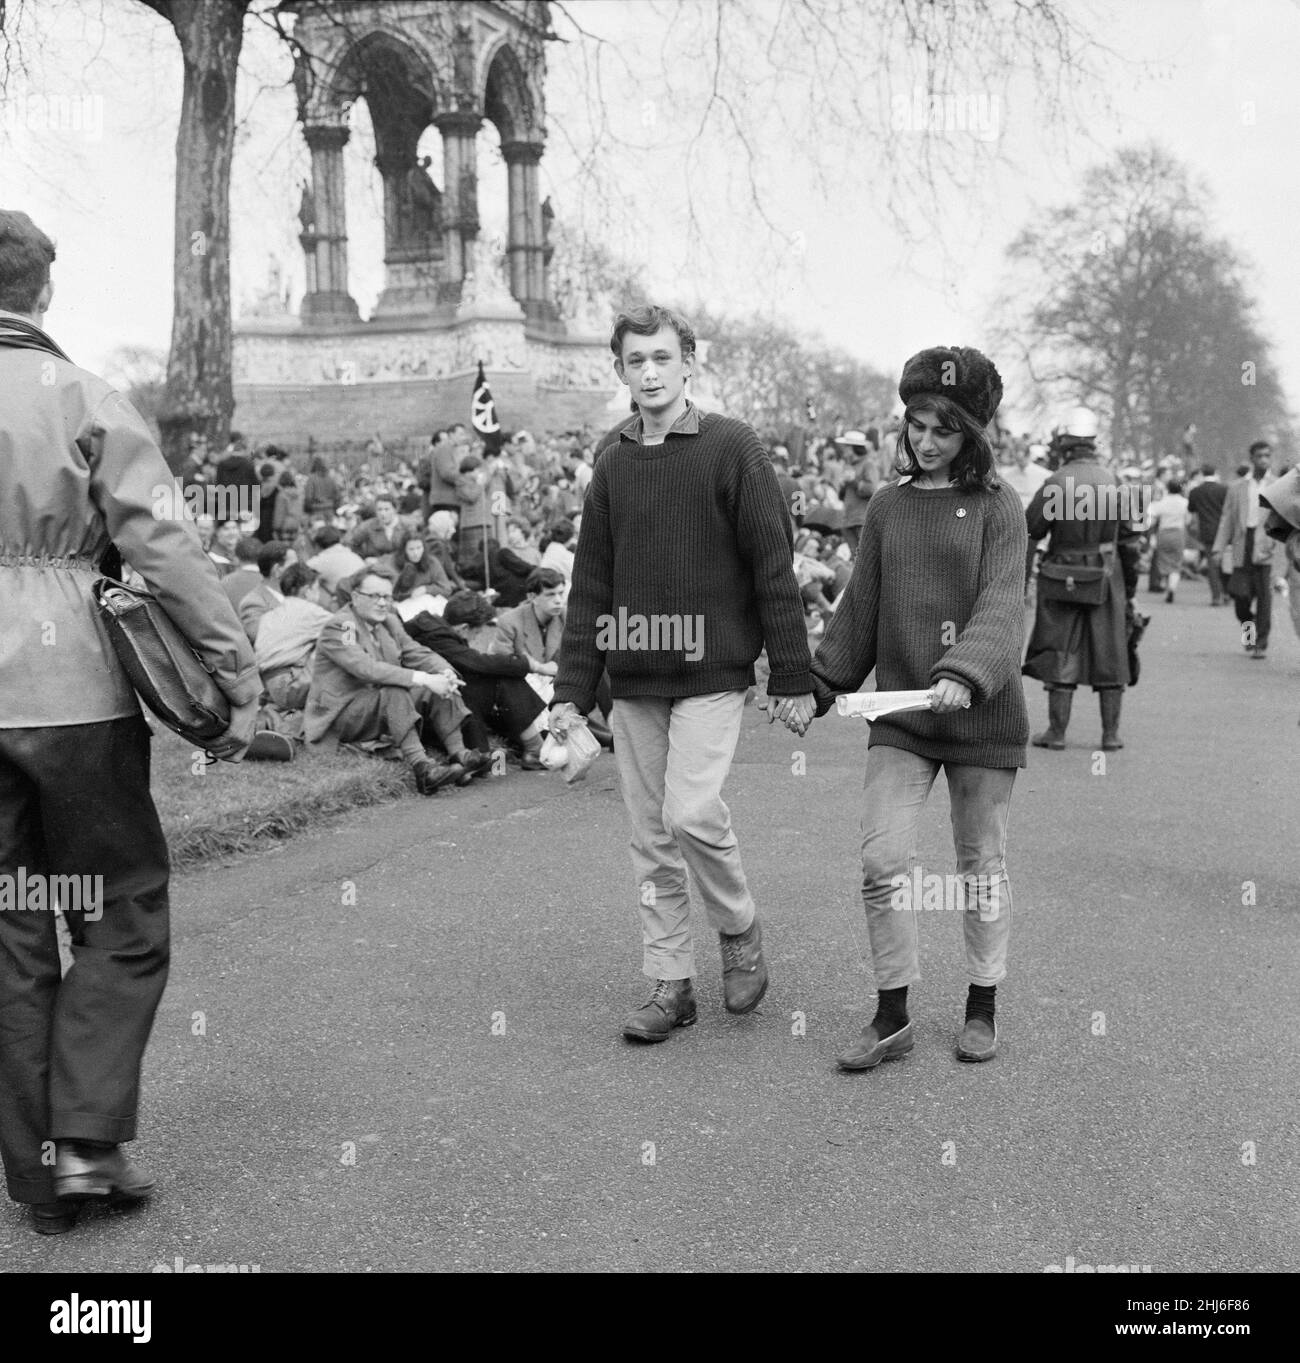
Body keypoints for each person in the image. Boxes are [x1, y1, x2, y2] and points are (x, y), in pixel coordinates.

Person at [0, 209, 259, 1235]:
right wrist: (232, 668)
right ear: (44, 291)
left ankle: (34, 1170)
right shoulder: (83, 395)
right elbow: (163, 549)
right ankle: (88, 1141)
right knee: (121, 910)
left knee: (11, 925)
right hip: (74, 697)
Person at [549, 304, 813, 1043]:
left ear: (689, 362)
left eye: (663, 358)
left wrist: (792, 673)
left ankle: (739, 927)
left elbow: (773, 565)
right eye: (637, 361)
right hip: (633, 677)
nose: (651, 373)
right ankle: (670, 983)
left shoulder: (733, 447)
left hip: (712, 670)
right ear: (621, 371)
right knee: (649, 838)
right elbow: (591, 582)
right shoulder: (613, 457)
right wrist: (571, 694)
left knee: (690, 812)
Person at [793, 345, 1027, 1070]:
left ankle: (981, 1003)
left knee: (978, 862)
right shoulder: (888, 506)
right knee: (884, 857)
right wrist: (817, 682)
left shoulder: (999, 508)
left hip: (978, 713)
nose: (925, 441)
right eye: (916, 424)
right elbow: (860, 606)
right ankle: (892, 1015)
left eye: (944, 429)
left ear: (973, 435)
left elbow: (1001, 602)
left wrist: (965, 670)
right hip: (902, 712)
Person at [1022, 408, 1141, 750]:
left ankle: (1057, 734)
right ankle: (1110, 735)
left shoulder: (1055, 482)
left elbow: (1030, 534)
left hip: (1062, 575)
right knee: (1111, 652)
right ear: (1094, 445)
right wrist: (1129, 589)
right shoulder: (1117, 482)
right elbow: (1131, 543)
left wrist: (1022, 581)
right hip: (1107, 574)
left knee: (1061, 650)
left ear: (1065, 446)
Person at [303, 570, 483, 793]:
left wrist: (445, 673)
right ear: (356, 596)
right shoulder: (343, 626)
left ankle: (461, 756)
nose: (382, 603)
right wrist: (424, 678)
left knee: (436, 686)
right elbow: (365, 668)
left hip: (374, 704)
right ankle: (423, 768)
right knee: (397, 689)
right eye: (375, 596)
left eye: (387, 597)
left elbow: (415, 652)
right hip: (342, 713)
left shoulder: (388, 621)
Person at [406, 591, 549, 769]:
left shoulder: (432, 630)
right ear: (464, 628)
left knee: (495, 675)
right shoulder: (437, 638)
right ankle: (533, 748)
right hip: (430, 712)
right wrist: (530, 665)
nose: (478, 636)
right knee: (500, 677)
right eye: (478, 631)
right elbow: (477, 662)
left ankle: (530, 747)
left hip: (433, 706)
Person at [1211, 441, 1280, 659]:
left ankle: (1259, 644)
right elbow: (1227, 519)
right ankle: (1248, 633)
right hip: (1243, 543)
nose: (1264, 460)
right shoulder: (1237, 487)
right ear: (1251, 458)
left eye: (1267, 456)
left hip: (1266, 546)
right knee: (1240, 598)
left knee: (1264, 599)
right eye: (1259, 456)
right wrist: (1218, 548)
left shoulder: (1278, 486)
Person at [255, 562, 332, 711]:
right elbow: (344, 625)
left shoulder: (268, 616)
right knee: (332, 641)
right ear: (307, 590)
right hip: (292, 686)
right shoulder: (311, 612)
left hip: (269, 687)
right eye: (317, 589)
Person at [238, 540, 296, 643]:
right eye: (294, 567)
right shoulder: (253, 603)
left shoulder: (296, 597)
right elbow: (263, 639)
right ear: (277, 570)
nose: (300, 571)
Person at [1187, 463, 1228, 606]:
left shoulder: (1195, 491)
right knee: (1225, 562)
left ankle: (1216, 596)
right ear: (1215, 472)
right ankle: (1227, 593)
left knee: (1212, 564)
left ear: (1202, 474)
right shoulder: (1224, 489)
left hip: (1206, 531)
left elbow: (1191, 510)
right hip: (1224, 530)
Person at [1146, 478, 1189, 603]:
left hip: (1163, 533)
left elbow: (1151, 518)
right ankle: (1172, 587)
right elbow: (1188, 520)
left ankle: (1166, 581)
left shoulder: (1161, 502)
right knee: (1176, 562)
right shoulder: (1185, 502)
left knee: (1163, 560)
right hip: (1178, 533)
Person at [302, 455, 338, 522]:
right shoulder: (330, 478)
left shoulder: (311, 479)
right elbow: (337, 495)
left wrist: (308, 508)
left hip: (317, 510)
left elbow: (308, 497)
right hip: (330, 509)